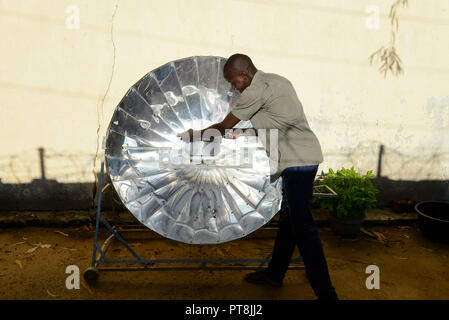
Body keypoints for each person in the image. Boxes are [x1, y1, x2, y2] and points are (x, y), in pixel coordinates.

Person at [179, 53, 338, 300]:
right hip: (304, 158)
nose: (233, 87)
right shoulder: (279, 81)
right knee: (289, 221)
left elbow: (223, 125)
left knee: (304, 228)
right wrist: (246, 134)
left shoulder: (253, 92)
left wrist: (196, 134)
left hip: (297, 163)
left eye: (234, 82)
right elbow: (279, 121)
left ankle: (327, 294)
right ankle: (275, 274)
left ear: (245, 75)